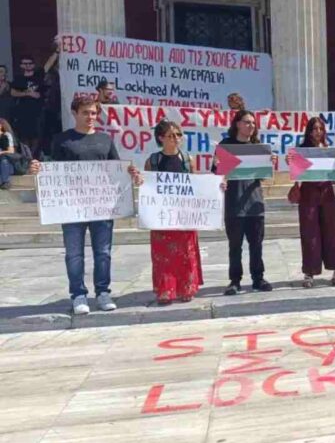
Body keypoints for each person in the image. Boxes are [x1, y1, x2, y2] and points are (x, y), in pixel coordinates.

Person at [28, 96, 139, 315]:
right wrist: (38, 169)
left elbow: (115, 168)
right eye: (86, 113)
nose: (91, 117)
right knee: (74, 253)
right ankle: (78, 294)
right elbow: (53, 169)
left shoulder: (105, 139)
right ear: (74, 113)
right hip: (71, 207)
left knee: (104, 252)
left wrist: (129, 172)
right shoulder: (62, 140)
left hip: (102, 207)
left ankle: (103, 292)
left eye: (94, 113)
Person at [144, 119, 205, 304]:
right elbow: (148, 186)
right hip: (162, 215)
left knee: (186, 252)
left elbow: (195, 184)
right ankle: (165, 291)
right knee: (163, 255)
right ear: (161, 138)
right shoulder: (153, 161)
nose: (176, 139)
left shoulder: (187, 159)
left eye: (179, 135)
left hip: (184, 213)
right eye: (171, 135)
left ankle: (186, 288)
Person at [213, 110, 273, 295]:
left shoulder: (258, 147)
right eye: (247, 122)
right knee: (235, 246)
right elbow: (216, 173)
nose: (251, 126)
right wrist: (217, 166)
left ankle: (258, 278)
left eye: (253, 123)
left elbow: (262, 176)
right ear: (237, 124)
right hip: (234, 203)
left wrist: (270, 163)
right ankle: (235, 281)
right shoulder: (226, 146)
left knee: (257, 245)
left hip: (254, 202)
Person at [287, 117, 335, 288]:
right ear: (309, 131)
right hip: (308, 194)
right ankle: (309, 272)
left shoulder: (329, 150)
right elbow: (296, 173)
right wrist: (291, 162)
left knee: (332, 230)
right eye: (314, 129)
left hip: (327, 193)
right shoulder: (302, 150)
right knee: (309, 232)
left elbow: (333, 176)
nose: (318, 132)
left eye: (321, 128)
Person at [10, 55, 44, 157]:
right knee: (24, 136)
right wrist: (28, 94)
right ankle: (27, 157)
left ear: (33, 65)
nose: (28, 66)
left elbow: (48, 65)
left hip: (37, 111)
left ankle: (33, 156)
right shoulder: (18, 78)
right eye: (25, 64)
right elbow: (13, 93)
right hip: (23, 112)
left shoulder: (38, 76)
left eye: (30, 63)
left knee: (37, 135)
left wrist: (56, 52)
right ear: (21, 65)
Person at [0, 118, 15, 189]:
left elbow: (11, 151)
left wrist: (1, 152)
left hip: (5, 160)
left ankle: (5, 182)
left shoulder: (6, 135)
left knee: (4, 160)